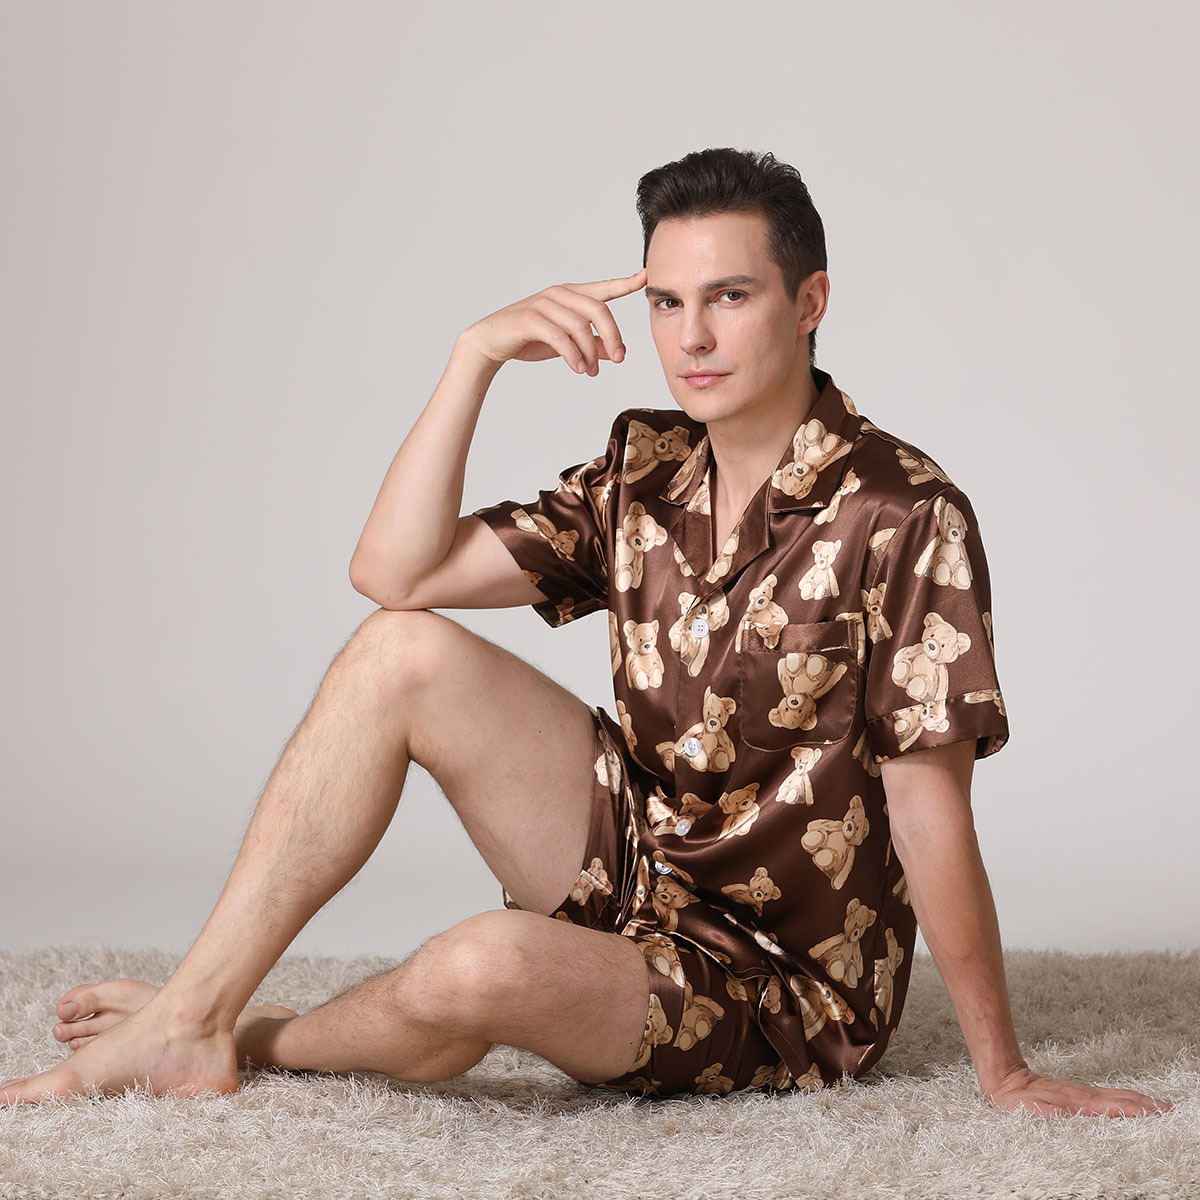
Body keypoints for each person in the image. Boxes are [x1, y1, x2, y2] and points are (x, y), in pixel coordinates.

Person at [0, 148, 1171, 1118]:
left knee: (482, 963)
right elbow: (394, 575)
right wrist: (474, 357)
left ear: (810, 302)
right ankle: (192, 1014)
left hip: (777, 987)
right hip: (639, 856)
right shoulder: (642, 468)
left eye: (730, 296)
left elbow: (927, 808)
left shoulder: (904, 513)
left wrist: (1005, 1072)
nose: (692, 336)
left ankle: (242, 1033)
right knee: (396, 650)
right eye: (666, 302)